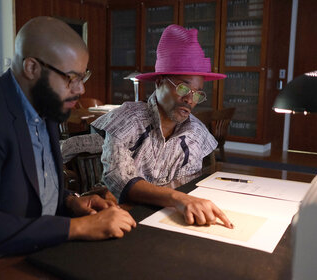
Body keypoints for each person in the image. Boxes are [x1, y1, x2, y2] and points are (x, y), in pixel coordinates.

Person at [0, 16, 135, 279]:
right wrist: (78, 228)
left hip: (35, 252)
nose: (80, 88)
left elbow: (30, 189)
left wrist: (71, 202)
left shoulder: (43, 106)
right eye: (71, 78)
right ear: (32, 67)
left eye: (83, 76)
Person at [91, 24, 233, 229]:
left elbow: (188, 183)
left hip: (167, 219)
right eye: (183, 87)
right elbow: (119, 180)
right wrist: (178, 199)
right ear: (159, 82)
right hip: (119, 217)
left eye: (197, 93)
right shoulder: (126, 120)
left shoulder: (196, 133)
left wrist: (183, 199)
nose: (190, 99)